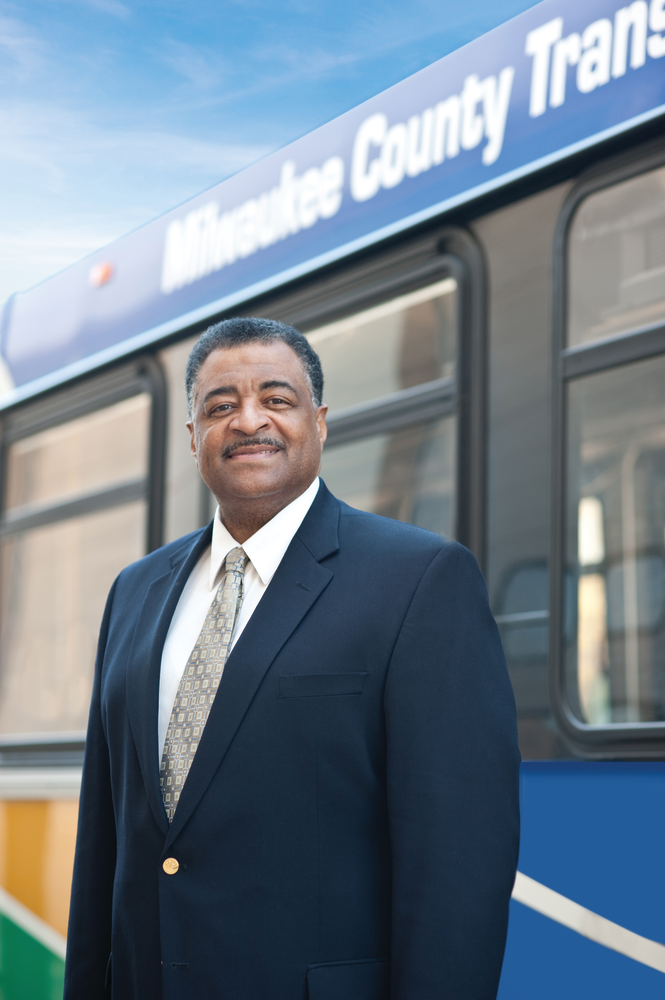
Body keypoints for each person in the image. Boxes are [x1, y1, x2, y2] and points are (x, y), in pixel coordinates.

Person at [64, 317, 520, 1000]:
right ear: (193, 438)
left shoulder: (419, 579)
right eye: (220, 406)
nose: (249, 421)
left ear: (320, 422)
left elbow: (456, 863)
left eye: (276, 399)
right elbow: (104, 843)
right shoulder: (135, 591)